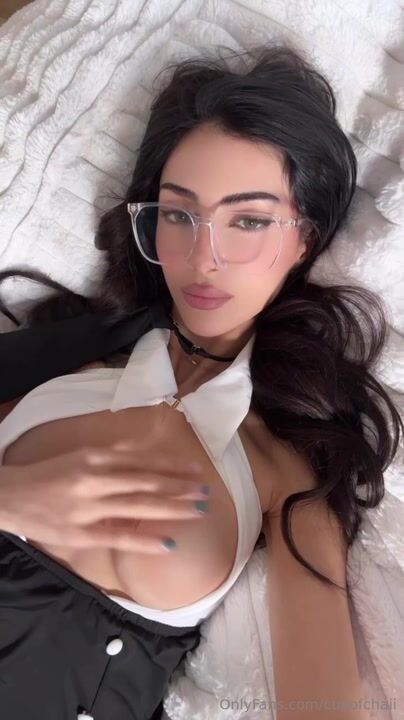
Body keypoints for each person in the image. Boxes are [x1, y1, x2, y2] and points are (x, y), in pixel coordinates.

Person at [0, 43, 402, 720]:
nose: (203, 259)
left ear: (305, 239)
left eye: (248, 221)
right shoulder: (55, 366)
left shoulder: (285, 471)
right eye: (179, 215)